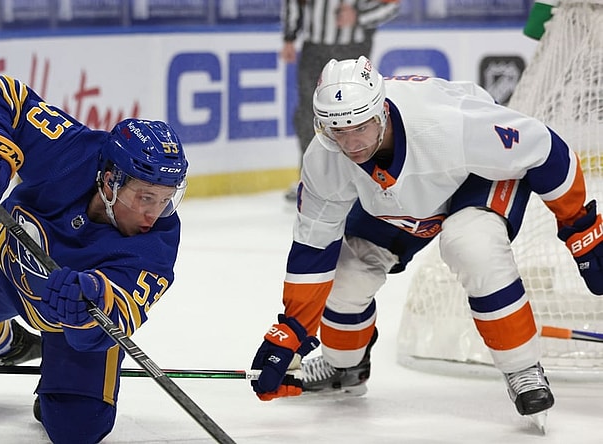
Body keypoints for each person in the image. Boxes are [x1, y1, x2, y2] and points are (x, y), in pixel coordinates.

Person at [250, 56, 603, 426]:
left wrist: (581, 228)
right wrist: (292, 330)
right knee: (346, 272)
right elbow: (313, 249)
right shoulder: (325, 157)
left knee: (472, 246)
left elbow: (544, 148)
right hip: (403, 193)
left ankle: (522, 369)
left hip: (475, 174)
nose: (351, 143)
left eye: (361, 128)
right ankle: (344, 368)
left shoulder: (452, 125)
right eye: (338, 131)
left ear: (382, 111)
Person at [0, 74, 188, 444]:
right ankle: (12, 346)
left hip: (68, 326)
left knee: (78, 429)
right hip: (3, 265)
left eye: (166, 198)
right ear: (109, 181)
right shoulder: (71, 149)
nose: (154, 214)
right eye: (145, 197)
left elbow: (118, 316)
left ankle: (56, 367)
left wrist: (88, 301)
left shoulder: (158, 243)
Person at [282, 0, 400, 201]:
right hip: (313, 50)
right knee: (307, 117)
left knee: (355, 118)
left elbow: (391, 5)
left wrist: (359, 16)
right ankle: (310, 180)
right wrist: (289, 37)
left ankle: (361, 179)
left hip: (352, 48)